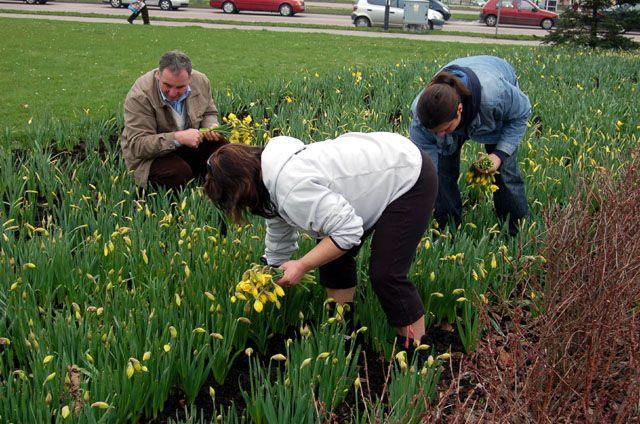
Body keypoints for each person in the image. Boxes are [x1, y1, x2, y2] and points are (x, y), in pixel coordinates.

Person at [203, 132, 438, 360]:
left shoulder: (291, 187)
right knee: (331, 257)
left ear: (242, 187)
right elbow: (278, 229)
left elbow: (348, 231)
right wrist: (270, 271)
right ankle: (342, 332)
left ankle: (416, 353)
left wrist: (302, 265)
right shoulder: (267, 177)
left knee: (386, 273)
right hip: (376, 173)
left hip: (407, 174)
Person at [409, 55, 531, 236]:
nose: (440, 136)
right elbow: (429, 165)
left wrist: (498, 155)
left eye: (445, 129)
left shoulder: (495, 95)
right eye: (436, 132)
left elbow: (521, 114)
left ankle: (517, 230)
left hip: (491, 77)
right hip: (455, 98)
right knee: (440, 174)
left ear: (459, 110)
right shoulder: (422, 114)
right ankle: (448, 229)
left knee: (505, 173)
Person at [121, 50, 224, 190]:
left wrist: (211, 126)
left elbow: (209, 112)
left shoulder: (201, 81)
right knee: (178, 174)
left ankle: (212, 190)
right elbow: (138, 145)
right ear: (158, 75)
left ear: (190, 78)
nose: (173, 93)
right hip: (152, 156)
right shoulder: (140, 96)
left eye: (180, 87)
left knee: (223, 152)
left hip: (189, 144)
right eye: (167, 86)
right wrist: (178, 138)